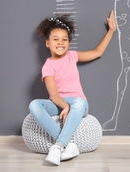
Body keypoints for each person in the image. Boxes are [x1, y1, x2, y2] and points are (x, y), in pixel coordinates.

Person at [29, 10, 116, 166]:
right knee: (34, 105)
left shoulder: (72, 56)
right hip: (58, 104)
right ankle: (68, 145)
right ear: (48, 43)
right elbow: (54, 95)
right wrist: (64, 106)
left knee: (80, 102)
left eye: (65, 39)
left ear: (69, 43)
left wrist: (111, 31)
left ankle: (58, 146)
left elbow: (97, 52)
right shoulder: (48, 66)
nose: (61, 43)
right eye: (56, 39)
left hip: (78, 103)